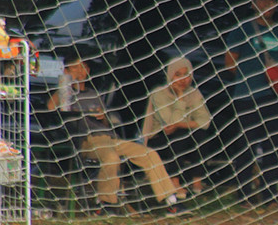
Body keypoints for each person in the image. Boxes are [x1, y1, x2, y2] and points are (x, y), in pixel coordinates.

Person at [47, 55, 185, 216]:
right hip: (88, 140)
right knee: (111, 157)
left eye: (83, 67)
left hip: (110, 138)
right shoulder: (66, 94)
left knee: (149, 154)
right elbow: (51, 108)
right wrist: (67, 82)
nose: (80, 71)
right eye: (75, 68)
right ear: (66, 71)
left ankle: (171, 202)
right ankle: (105, 204)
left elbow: (107, 124)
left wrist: (103, 117)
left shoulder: (94, 94)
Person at [223, 0, 278, 206]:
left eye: (270, 0)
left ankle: (269, 194)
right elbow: (229, 63)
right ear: (252, 4)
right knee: (245, 146)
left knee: (273, 144)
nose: (266, 5)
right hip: (246, 96)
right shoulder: (242, 29)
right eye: (261, 0)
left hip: (272, 96)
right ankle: (244, 194)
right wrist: (249, 75)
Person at [142, 57, 213, 197]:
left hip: (183, 136)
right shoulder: (159, 93)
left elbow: (205, 121)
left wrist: (181, 124)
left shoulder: (193, 93)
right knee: (180, 135)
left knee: (200, 135)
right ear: (170, 75)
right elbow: (170, 122)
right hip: (159, 138)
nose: (183, 79)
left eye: (186, 75)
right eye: (178, 75)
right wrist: (180, 98)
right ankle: (175, 181)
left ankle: (197, 181)